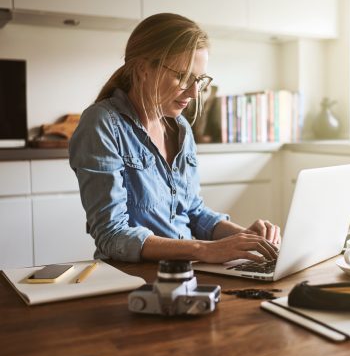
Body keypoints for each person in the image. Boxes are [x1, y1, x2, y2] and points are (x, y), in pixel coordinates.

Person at [69, 13, 280, 264]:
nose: (193, 92)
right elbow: (112, 234)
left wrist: (247, 238)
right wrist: (204, 250)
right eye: (182, 77)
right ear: (143, 69)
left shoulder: (180, 128)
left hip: (188, 271)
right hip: (132, 276)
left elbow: (193, 212)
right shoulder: (102, 124)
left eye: (199, 80)